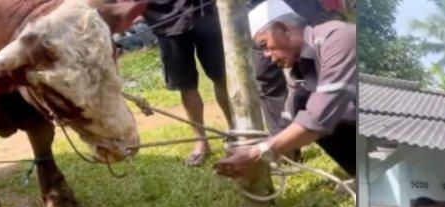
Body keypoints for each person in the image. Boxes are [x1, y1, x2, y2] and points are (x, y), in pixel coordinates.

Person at [218, 2, 356, 177]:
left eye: (265, 45)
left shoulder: (337, 39)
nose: (267, 55)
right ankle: (362, 175)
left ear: (283, 29)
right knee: (304, 112)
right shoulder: (301, 64)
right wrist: (262, 145)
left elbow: (319, 118)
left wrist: (259, 152)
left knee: (323, 116)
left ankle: (374, 175)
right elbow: (290, 117)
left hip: (383, 125)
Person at [144, 0, 232, 166]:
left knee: (221, 76)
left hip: (203, 10)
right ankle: (201, 142)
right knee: (186, 85)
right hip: (165, 19)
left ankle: (235, 132)